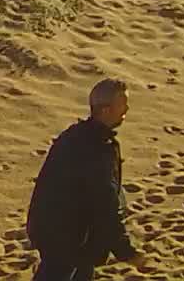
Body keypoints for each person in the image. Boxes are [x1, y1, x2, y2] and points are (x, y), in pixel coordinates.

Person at [26, 78, 144, 279]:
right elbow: (105, 203)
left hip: (63, 233)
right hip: (67, 237)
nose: (127, 108)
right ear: (105, 110)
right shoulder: (95, 148)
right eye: (122, 103)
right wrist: (125, 251)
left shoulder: (78, 136)